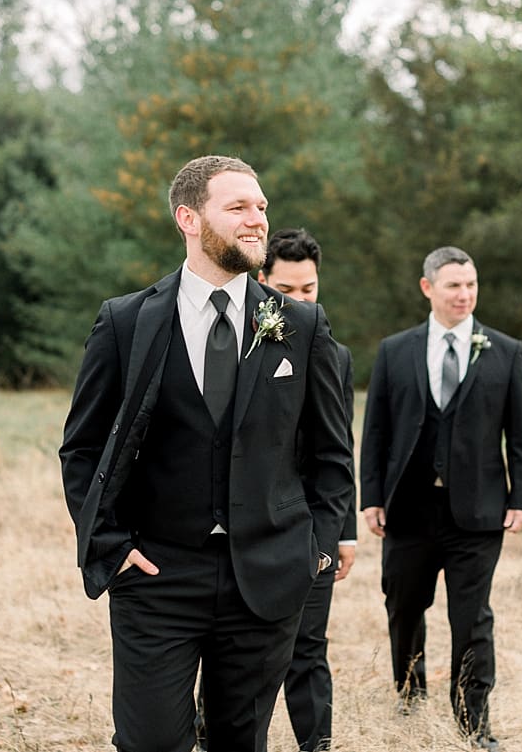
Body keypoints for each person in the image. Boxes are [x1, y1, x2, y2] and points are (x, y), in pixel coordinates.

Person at [60, 156, 354, 752]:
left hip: (267, 576)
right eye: (239, 207)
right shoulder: (125, 322)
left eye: (262, 207)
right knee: (149, 743)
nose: (257, 220)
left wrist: (314, 551)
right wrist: (112, 548)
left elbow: (330, 454)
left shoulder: (302, 325)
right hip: (157, 576)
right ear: (188, 218)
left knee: (240, 742)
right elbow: (83, 448)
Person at [360, 246, 522, 751]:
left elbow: (520, 435)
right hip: (409, 509)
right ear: (428, 288)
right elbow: (377, 432)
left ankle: (473, 721)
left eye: (471, 284)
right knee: (404, 606)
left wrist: (521, 496)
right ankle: (410, 691)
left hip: (477, 513)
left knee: (472, 616)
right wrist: (372, 496)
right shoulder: (396, 351)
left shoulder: (505, 351)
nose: (465, 294)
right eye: (454, 285)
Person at [196, 227, 357, 752]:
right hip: (244, 525)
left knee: (309, 645)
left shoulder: (330, 350)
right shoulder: (232, 340)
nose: (300, 301)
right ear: (263, 282)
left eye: (309, 290)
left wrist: (335, 538)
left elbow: (337, 450)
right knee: (227, 656)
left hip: (306, 533)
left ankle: (317, 743)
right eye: (287, 292)